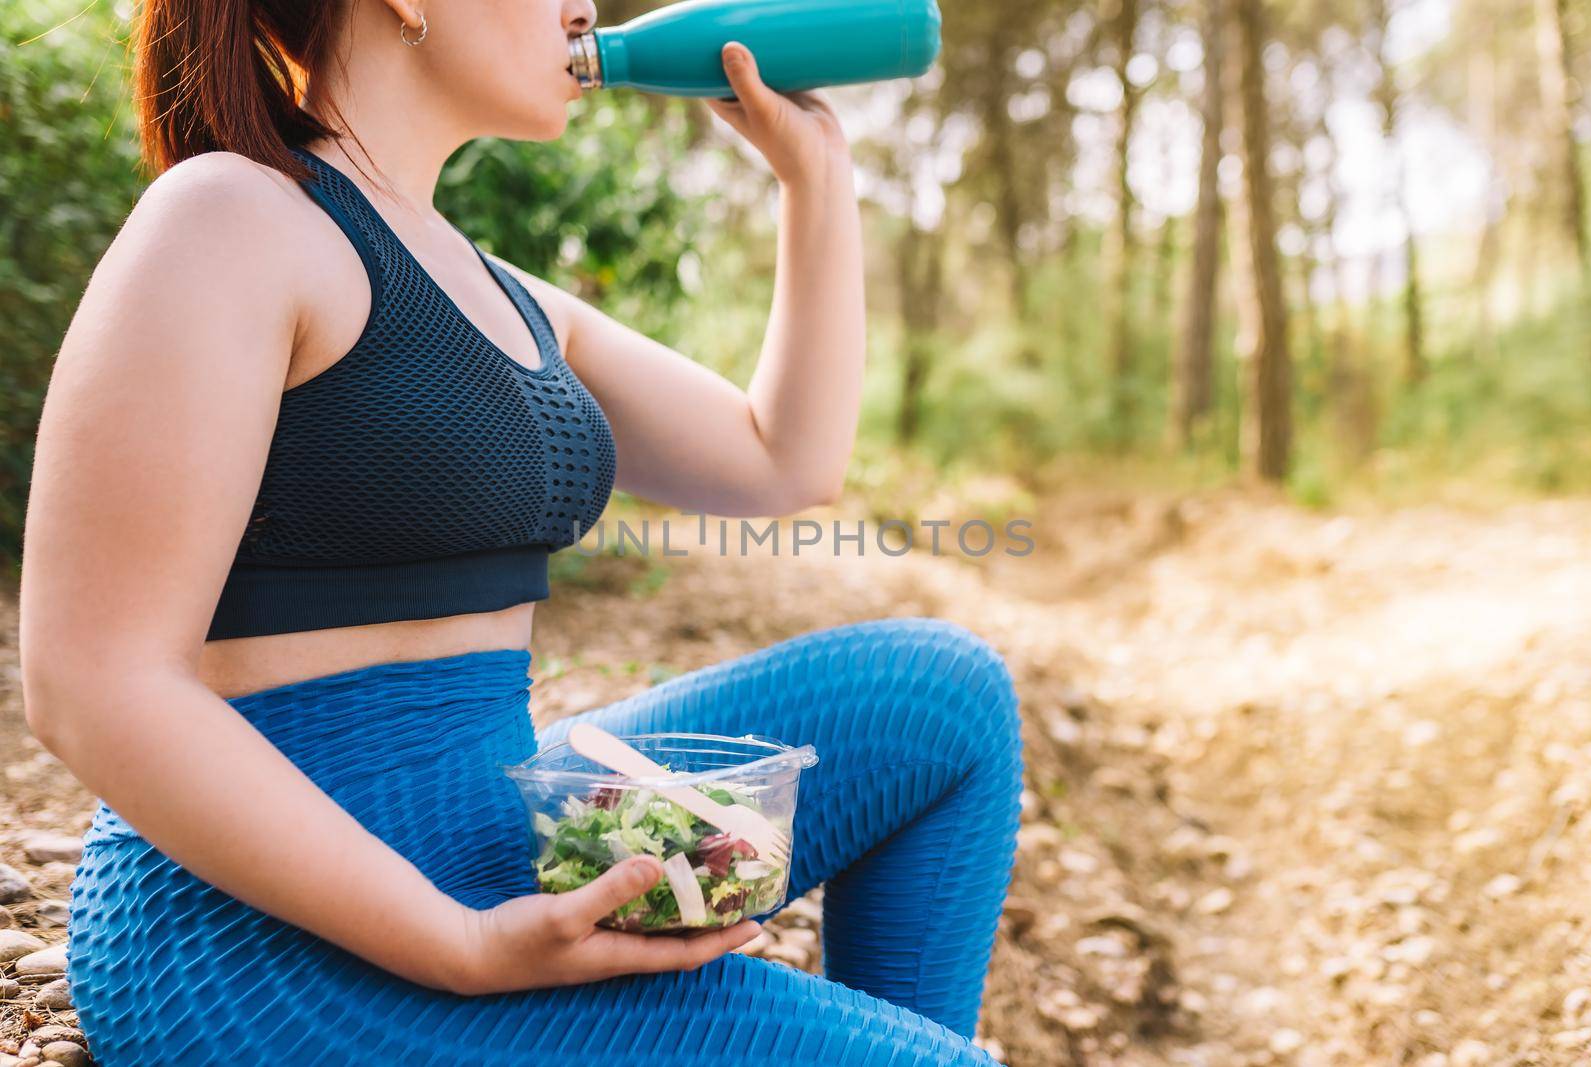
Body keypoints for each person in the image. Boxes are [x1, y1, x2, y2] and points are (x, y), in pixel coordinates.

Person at [17, 0, 1023, 1061]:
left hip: (489, 833)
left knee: (940, 697)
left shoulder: (490, 286)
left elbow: (784, 457)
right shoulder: (228, 218)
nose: (585, 6)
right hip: (258, 941)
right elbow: (92, 677)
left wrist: (813, 179)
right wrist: (453, 939)